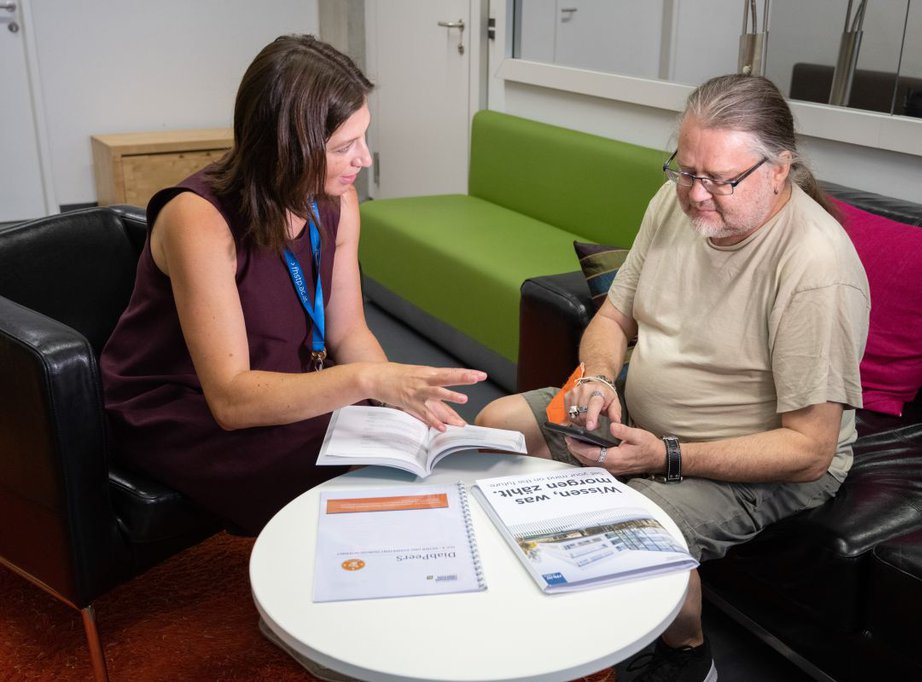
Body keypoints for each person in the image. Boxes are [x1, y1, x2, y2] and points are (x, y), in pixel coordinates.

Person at [477, 73, 870, 682]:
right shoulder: (674, 204)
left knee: (625, 523)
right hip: (643, 421)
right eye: (685, 171)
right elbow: (613, 316)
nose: (696, 195)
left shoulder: (816, 266)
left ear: (779, 169)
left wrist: (664, 455)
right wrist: (602, 381)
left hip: (755, 457)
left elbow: (810, 451)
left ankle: (685, 658)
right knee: (495, 429)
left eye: (720, 179)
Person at [100, 34, 485, 535]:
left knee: (414, 443)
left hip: (293, 385)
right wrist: (370, 383)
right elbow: (232, 401)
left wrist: (399, 396)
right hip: (186, 407)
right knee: (345, 478)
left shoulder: (338, 203)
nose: (364, 160)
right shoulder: (198, 219)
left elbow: (346, 333)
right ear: (287, 147)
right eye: (345, 146)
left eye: (363, 137)